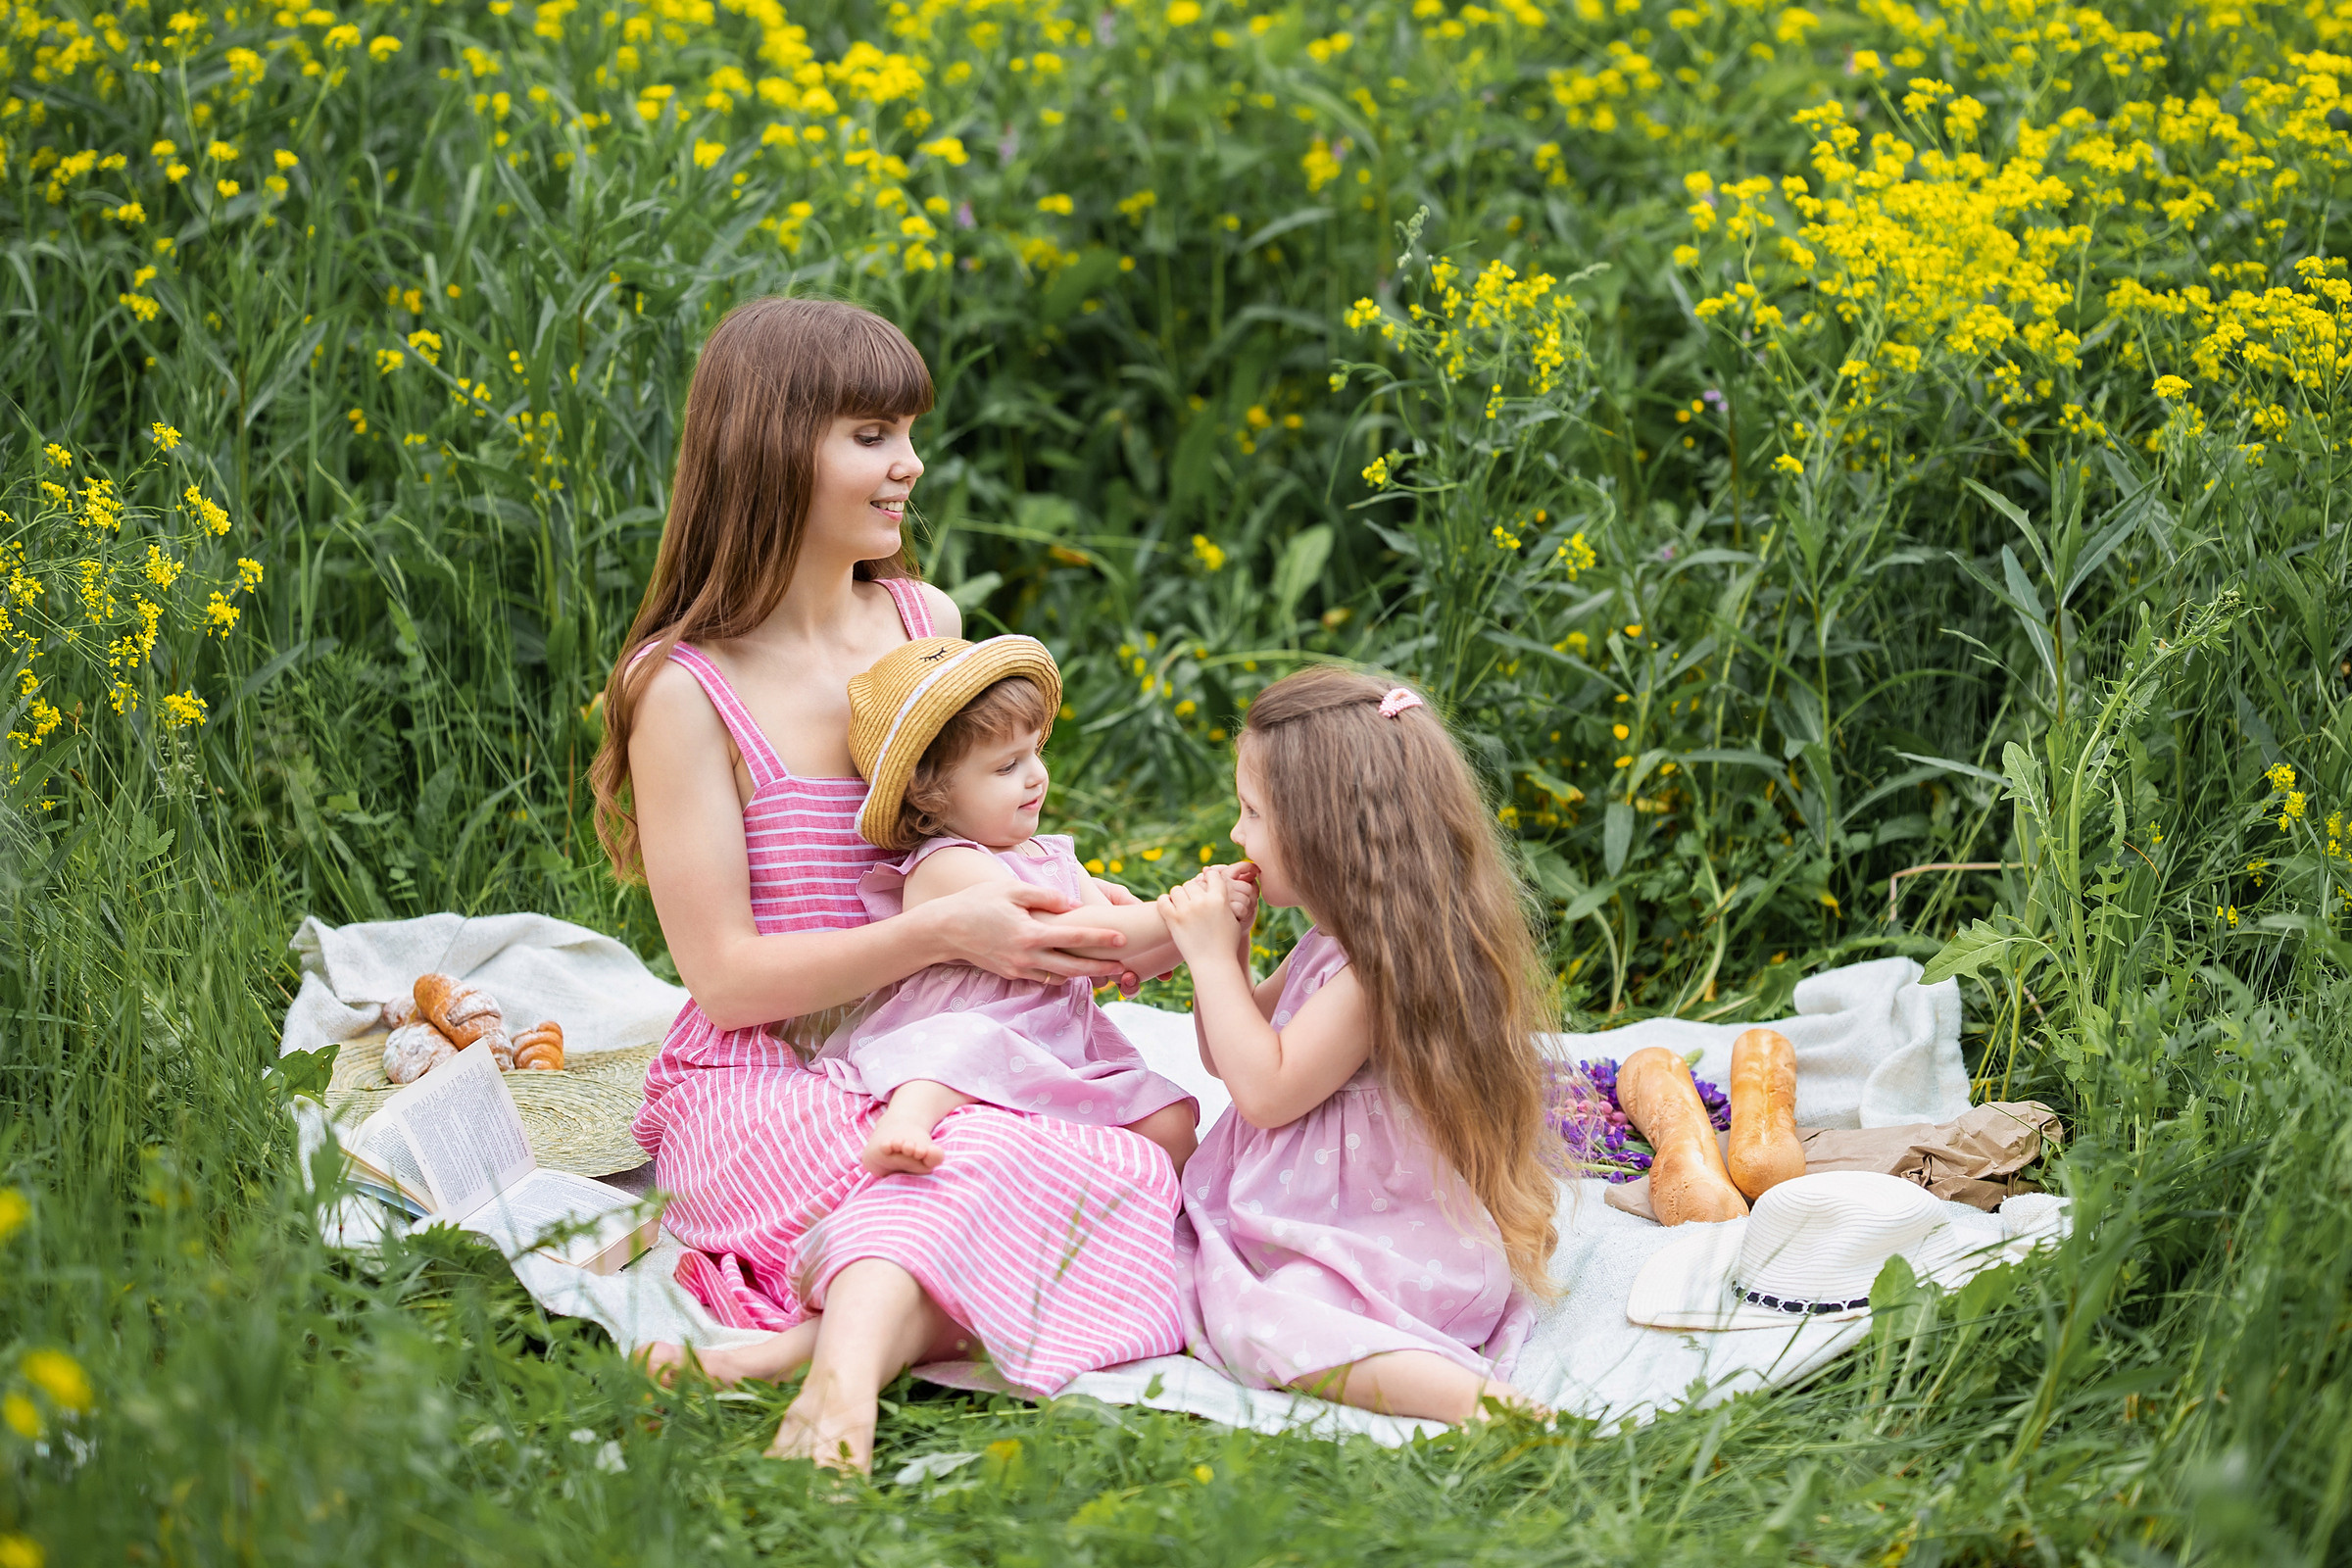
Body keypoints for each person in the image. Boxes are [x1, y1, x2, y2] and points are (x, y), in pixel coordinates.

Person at [592, 296, 1185, 1473]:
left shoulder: (924, 621)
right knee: (989, 1168)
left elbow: (970, 847)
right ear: (769, 448)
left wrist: (1097, 919)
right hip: (769, 1074)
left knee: (1145, 1148)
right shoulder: (683, 689)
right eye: (871, 435)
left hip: (938, 1044)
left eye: (908, 430)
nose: (909, 463)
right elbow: (728, 979)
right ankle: (844, 1385)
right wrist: (943, 935)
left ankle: (810, 1353)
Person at [1154, 666, 1563, 1424]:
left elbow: (1266, 1093)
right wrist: (1229, 956)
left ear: (1323, 832)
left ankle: (1480, 1404)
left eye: (1252, 813)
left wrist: (1207, 960)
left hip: (1377, 1236)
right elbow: (1230, 1055)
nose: (1237, 835)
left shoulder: (1376, 970)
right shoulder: (1330, 940)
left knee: (1261, 1323)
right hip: (1308, 1211)